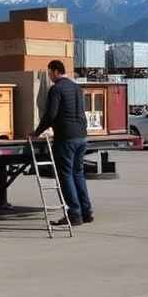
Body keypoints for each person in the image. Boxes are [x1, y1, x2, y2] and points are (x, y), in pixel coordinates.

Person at [31, 60, 93, 227]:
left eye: (50, 72)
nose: (49, 76)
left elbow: (50, 114)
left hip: (66, 138)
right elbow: (82, 112)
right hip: (81, 136)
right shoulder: (76, 88)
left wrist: (36, 133)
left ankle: (74, 214)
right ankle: (86, 212)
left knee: (65, 176)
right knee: (78, 173)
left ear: (56, 71)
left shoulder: (56, 89)